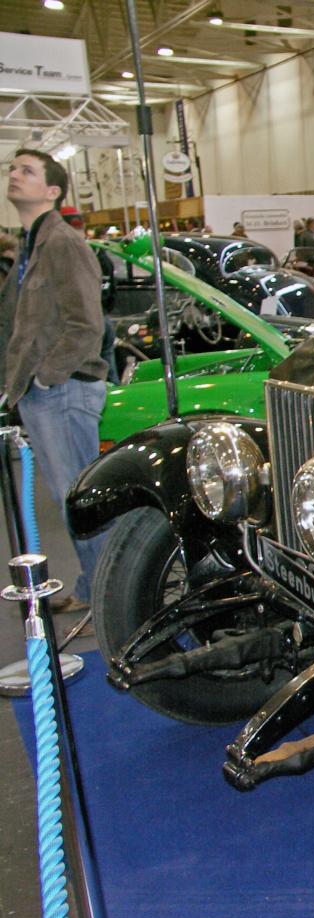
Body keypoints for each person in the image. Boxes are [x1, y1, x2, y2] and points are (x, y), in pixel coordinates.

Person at [0, 149, 111, 614]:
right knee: (74, 502)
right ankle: (94, 591)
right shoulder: (32, 244)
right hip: (44, 394)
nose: (14, 175)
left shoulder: (63, 243)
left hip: (62, 392)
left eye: (27, 171)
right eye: (12, 168)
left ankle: (110, 601)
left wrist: (47, 378)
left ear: (52, 191)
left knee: (82, 502)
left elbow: (87, 323)